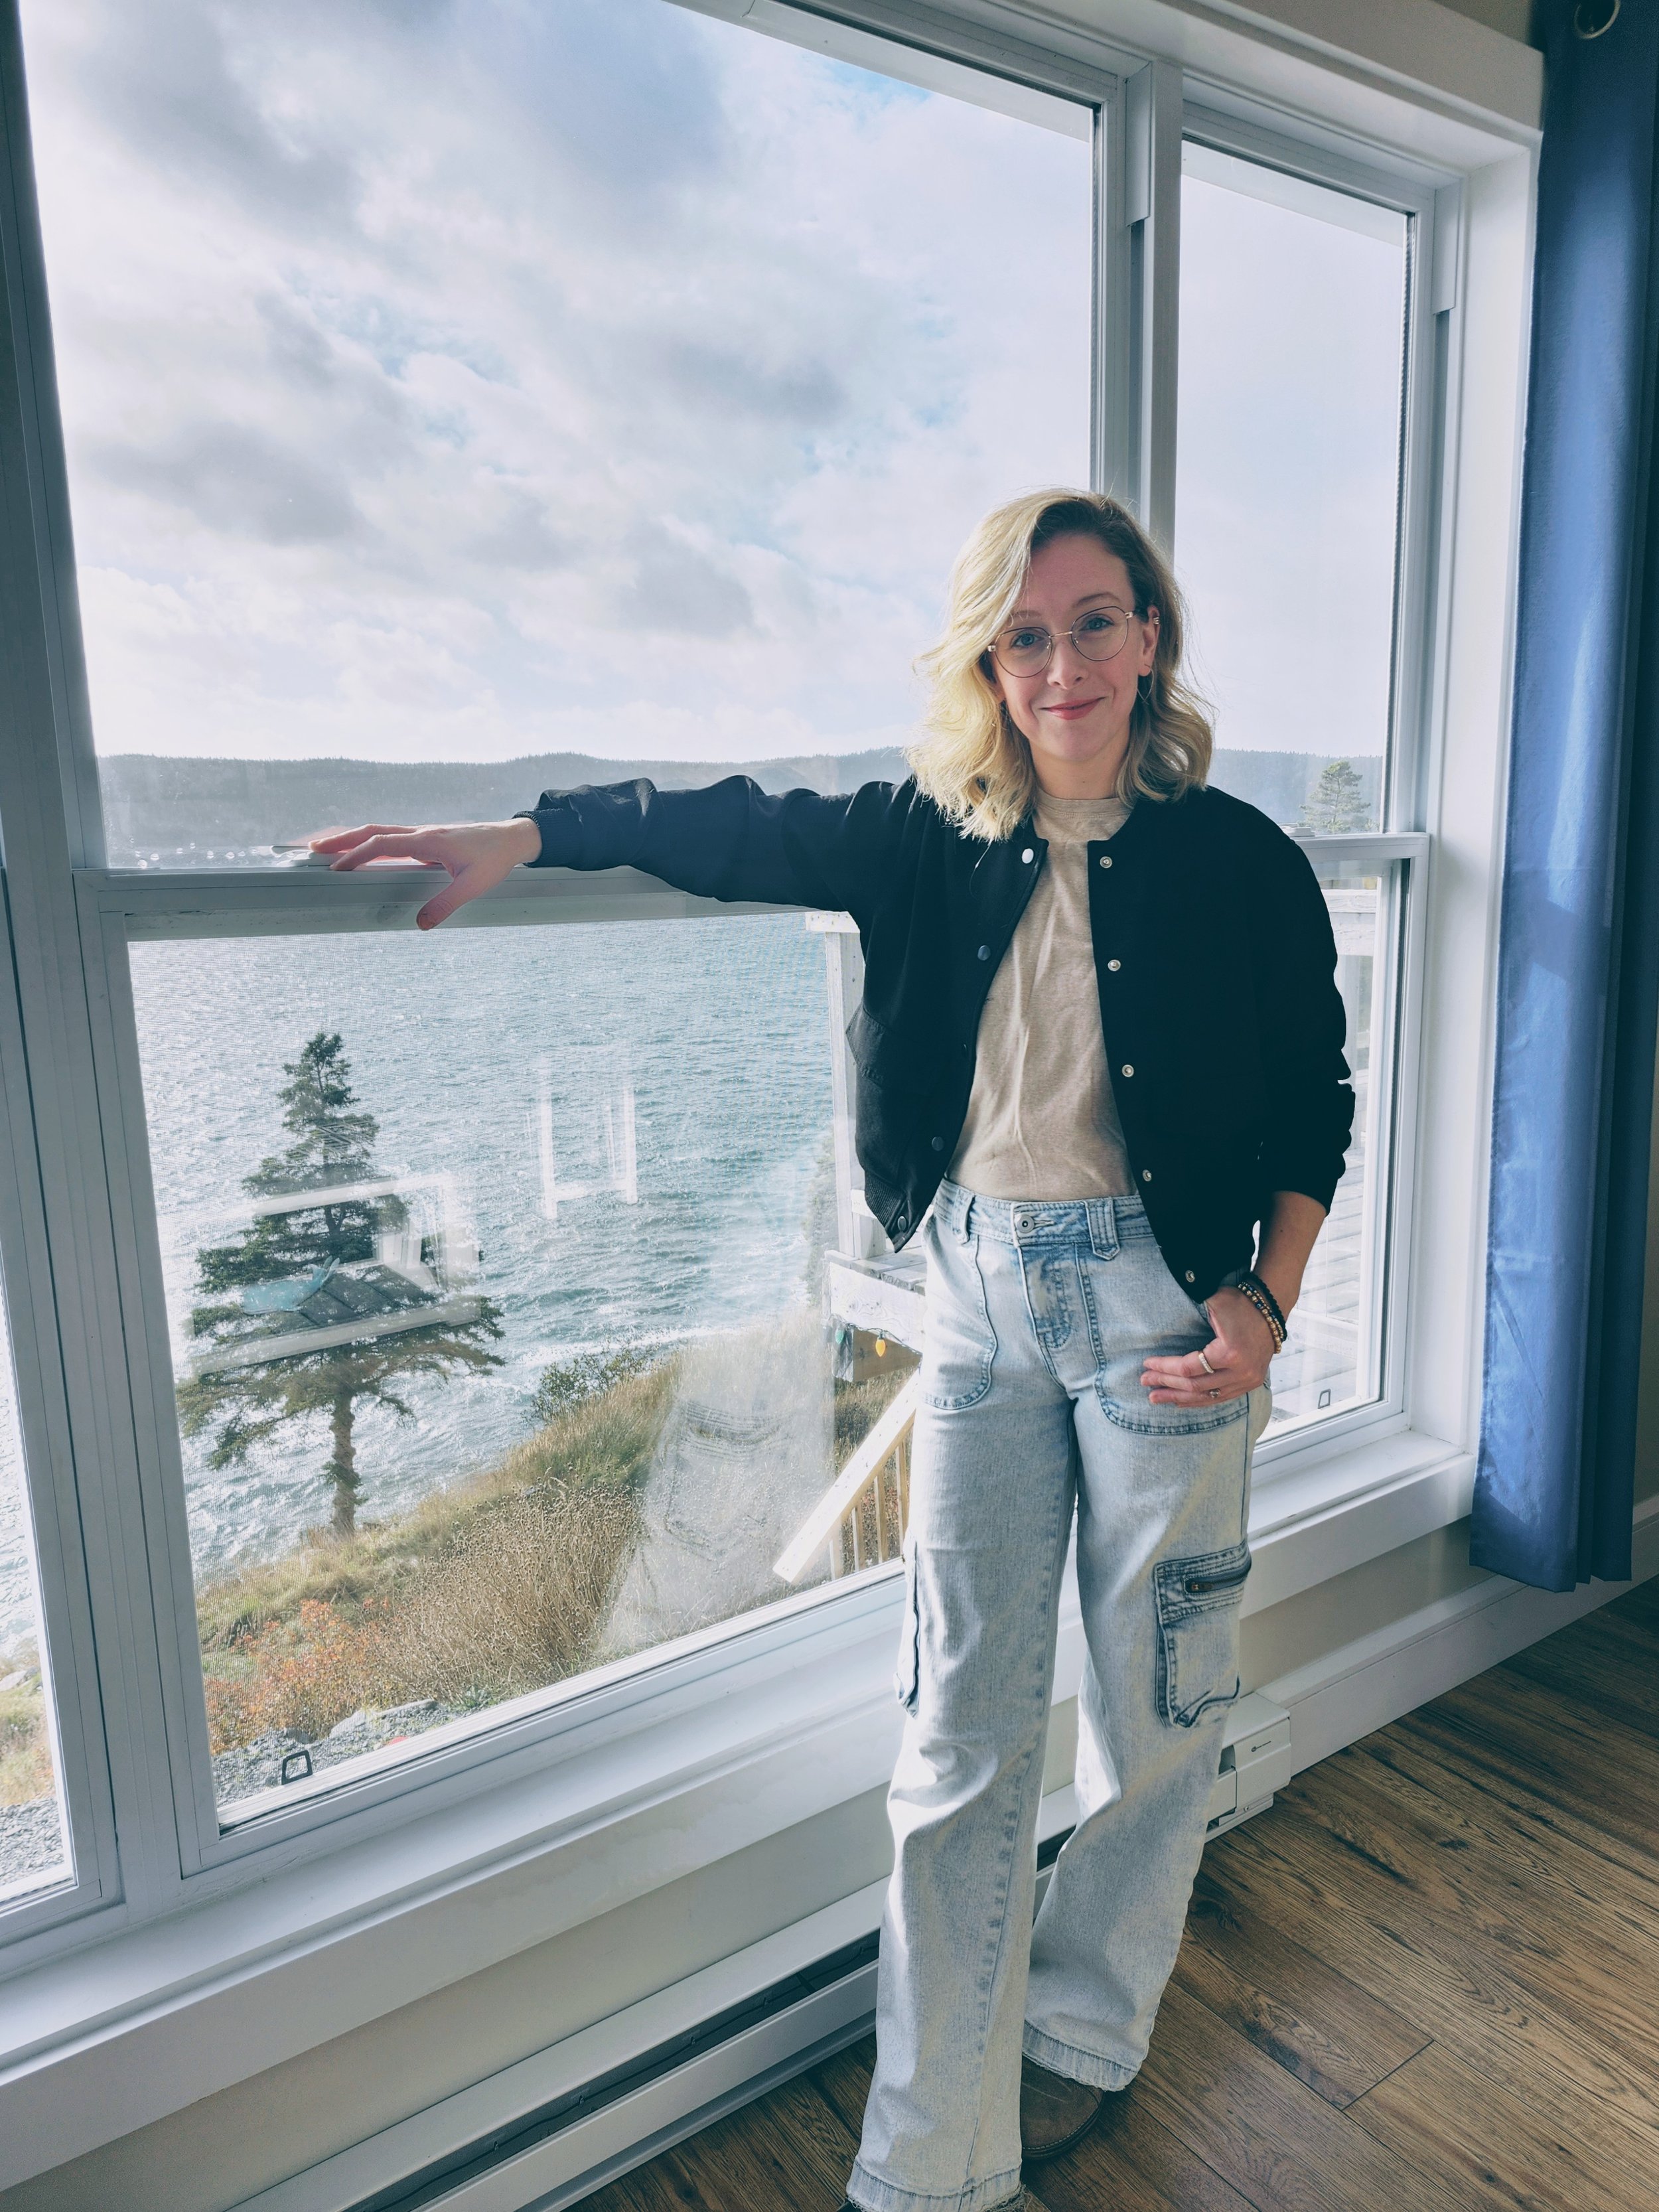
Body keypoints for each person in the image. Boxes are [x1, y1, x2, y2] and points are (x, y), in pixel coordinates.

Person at [312, 488, 1352, 2212]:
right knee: (958, 1734)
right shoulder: (921, 835)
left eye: (1094, 622)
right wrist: (525, 832)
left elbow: (1318, 1092)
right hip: (976, 1309)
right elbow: (727, 827)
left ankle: (1082, 2032)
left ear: (1148, 635)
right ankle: (926, 2168)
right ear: (987, 663)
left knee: (1161, 1713)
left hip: (1168, 1316)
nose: (1062, 664)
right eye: (1024, 635)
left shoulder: (1238, 861)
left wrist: (1265, 1304)